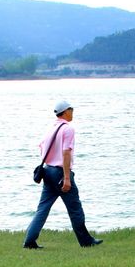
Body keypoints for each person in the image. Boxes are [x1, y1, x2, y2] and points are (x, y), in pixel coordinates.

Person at [23, 100, 103, 249]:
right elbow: (66, 153)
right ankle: (86, 241)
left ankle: (29, 241)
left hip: (47, 171)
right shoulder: (68, 129)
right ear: (66, 111)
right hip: (60, 172)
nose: (73, 112)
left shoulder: (50, 128)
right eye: (71, 109)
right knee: (75, 208)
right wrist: (66, 177)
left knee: (43, 208)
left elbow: (42, 149)